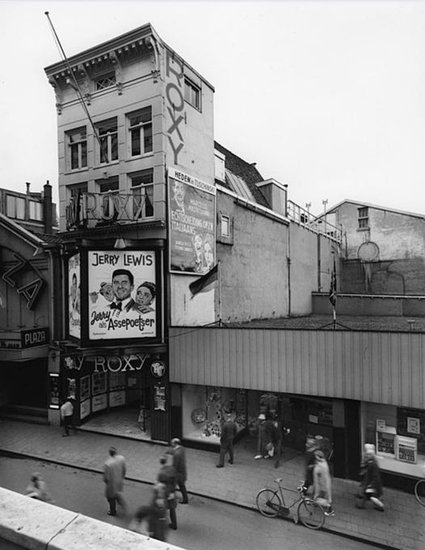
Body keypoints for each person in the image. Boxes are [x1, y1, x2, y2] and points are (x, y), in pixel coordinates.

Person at [356, 443, 384, 511]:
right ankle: (377, 506)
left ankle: (362, 505)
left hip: (372, 483)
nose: (367, 456)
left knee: (371, 495)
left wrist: (372, 484)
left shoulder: (372, 464)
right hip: (371, 482)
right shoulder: (371, 462)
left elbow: (375, 475)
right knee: (372, 495)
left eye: (368, 455)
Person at [103, 446, 127, 517]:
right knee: (116, 493)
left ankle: (112, 511)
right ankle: (120, 502)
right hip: (119, 480)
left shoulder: (108, 463)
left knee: (110, 497)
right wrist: (122, 477)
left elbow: (106, 477)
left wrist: (106, 482)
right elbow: (124, 469)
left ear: (109, 453)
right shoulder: (121, 458)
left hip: (112, 483)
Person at [157, 455, 178, 530]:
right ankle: (174, 524)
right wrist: (173, 491)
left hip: (165, 493)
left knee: (163, 509)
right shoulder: (172, 468)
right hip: (172, 492)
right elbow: (175, 480)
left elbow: (160, 485)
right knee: (172, 509)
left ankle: (162, 524)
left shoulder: (161, 473)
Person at [312, 450, 334, 516]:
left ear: (319, 457)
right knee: (318, 498)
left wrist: (318, 491)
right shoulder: (322, 463)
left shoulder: (322, 467)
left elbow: (322, 479)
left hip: (322, 486)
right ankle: (316, 503)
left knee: (318, 499)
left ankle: (329, 508)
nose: (315, 457)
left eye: (316, 456)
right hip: (321, 485)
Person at [168, 438, 188, 504]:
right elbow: (173, 450)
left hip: (178, 473)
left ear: (175, 443)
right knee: (182, 486)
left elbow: (175, 466)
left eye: (172, 443)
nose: (171, 444)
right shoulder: (182, 448)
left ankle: (172, 498)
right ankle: (185, 499)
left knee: (173, 485)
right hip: (183, 471)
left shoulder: (176, 454)